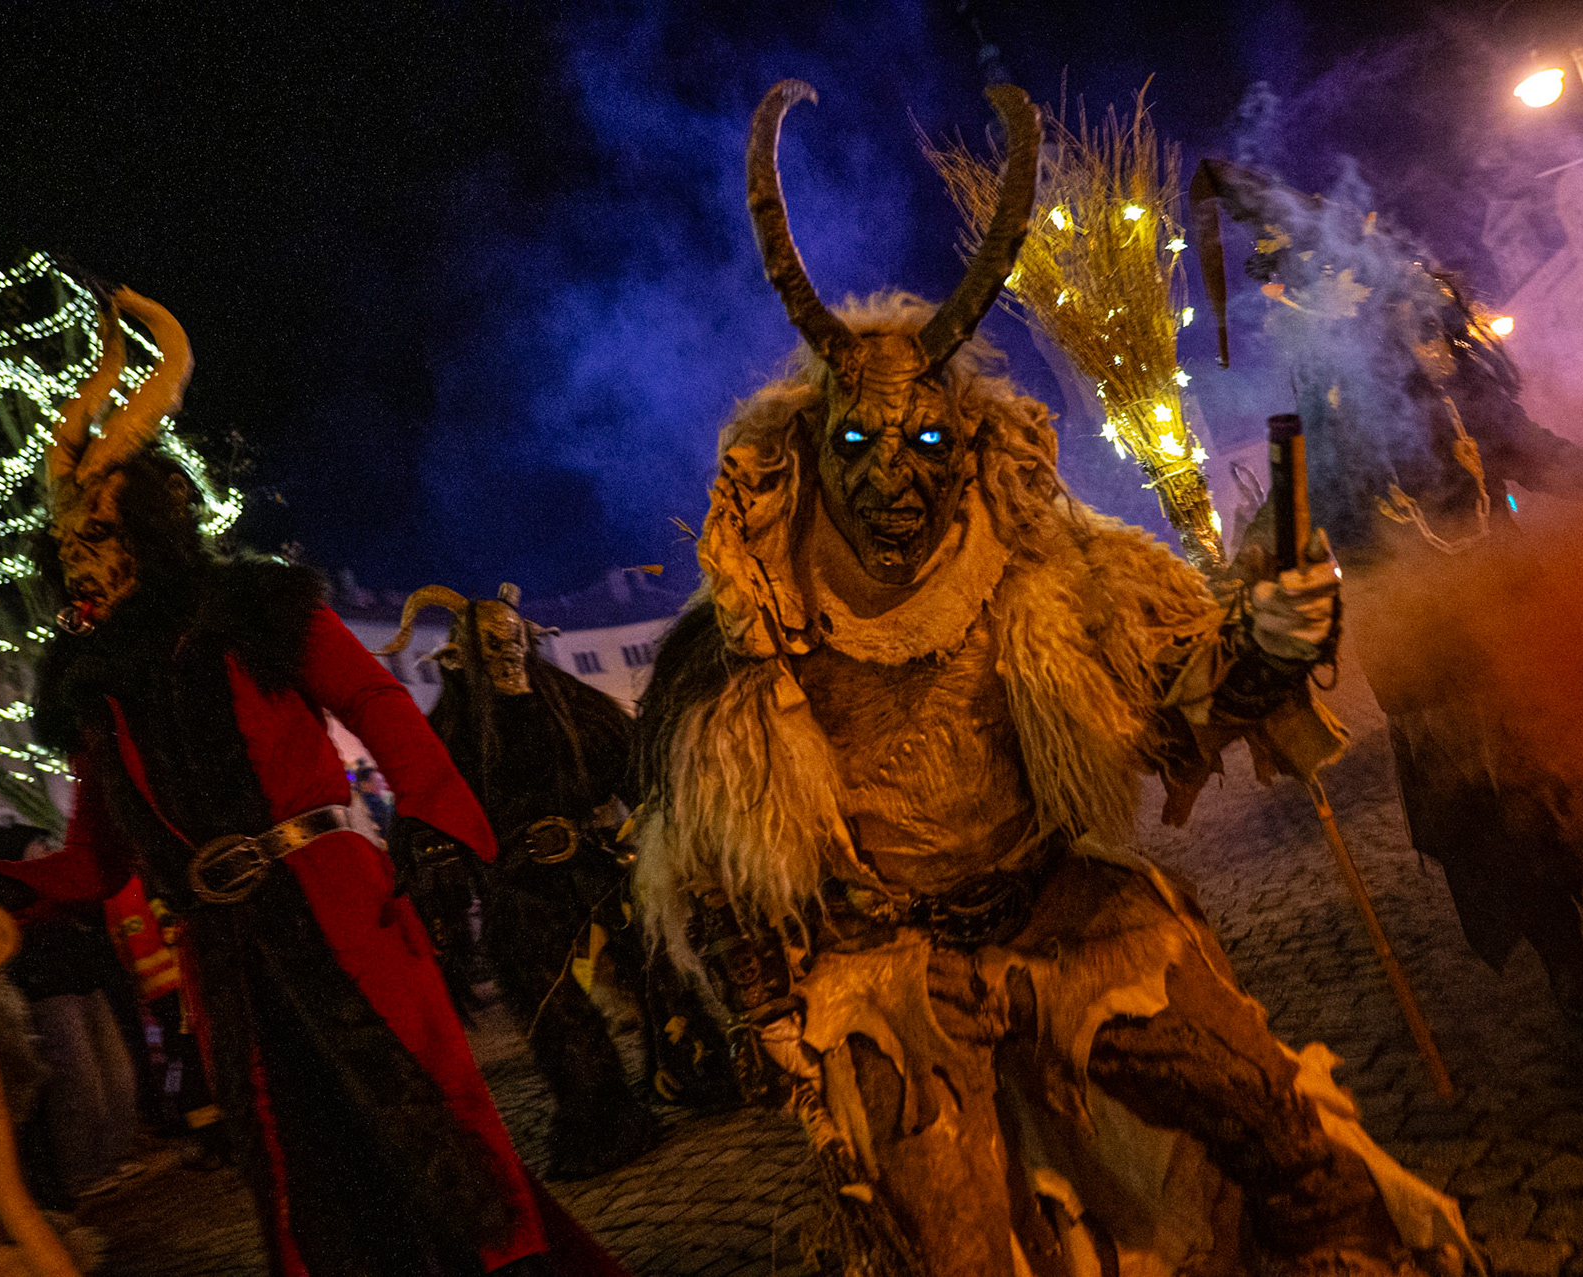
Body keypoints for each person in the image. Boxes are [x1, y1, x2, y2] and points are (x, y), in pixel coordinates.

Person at [630, 79, 1476, 1277]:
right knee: (955, 1242)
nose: (890, 476)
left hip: (1063, 914)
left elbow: (1184, 690)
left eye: (926, 440)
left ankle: (1338, 1236)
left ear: (968, 439)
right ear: (814, 446)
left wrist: (1269, 638)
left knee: (1265, 1108)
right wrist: (777, 1020)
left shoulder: (1052, 560)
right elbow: (716, 868)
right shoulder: (751, 633)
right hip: (890, 969)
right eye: (858, 442)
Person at [0, 284, 624, 1277]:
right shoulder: (99, 687)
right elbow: (92, 864)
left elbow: (374, 699)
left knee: (429, 1124)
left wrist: (433, 823)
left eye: (98, 539)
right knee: (305, 1167)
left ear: (148, 530)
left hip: (337, 906)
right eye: (68, 550)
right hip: (229, 956)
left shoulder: (256, 609)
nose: (82, 567)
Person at [1203, 158, 1583, 1032]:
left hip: (1519, 634)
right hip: (1436, 665)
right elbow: (1300, 525)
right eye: (1285, 286)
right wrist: (1254, 601)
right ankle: (1582, 986)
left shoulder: (1437, 377)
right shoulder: (1318, 413)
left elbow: (1528, 450)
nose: (1288, 302)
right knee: (1505, 828)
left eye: (1305, 279)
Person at [380, 583, 731, 1179]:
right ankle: (598, 1112)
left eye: (515, 641)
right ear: (460, 658)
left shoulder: (577, 709)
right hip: (518, 889)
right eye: (493, 646)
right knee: (554, 1008)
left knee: (657, 974)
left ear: (530, 640)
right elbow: (424, 824)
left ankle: (692, 1068)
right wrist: (441, 888)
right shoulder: (447, 737)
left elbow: (636, 773)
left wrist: (664, 837)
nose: (509, 656)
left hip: (600, 867)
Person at [0, 823, 142, 1201]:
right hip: (51, 993)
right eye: (37, 843)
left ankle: (116, 1153)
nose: (46, 847)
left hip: (87, 985)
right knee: (77, 1080)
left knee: (115, 1074)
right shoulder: (13, 898)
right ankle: (82, 1169)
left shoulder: (61, 891)